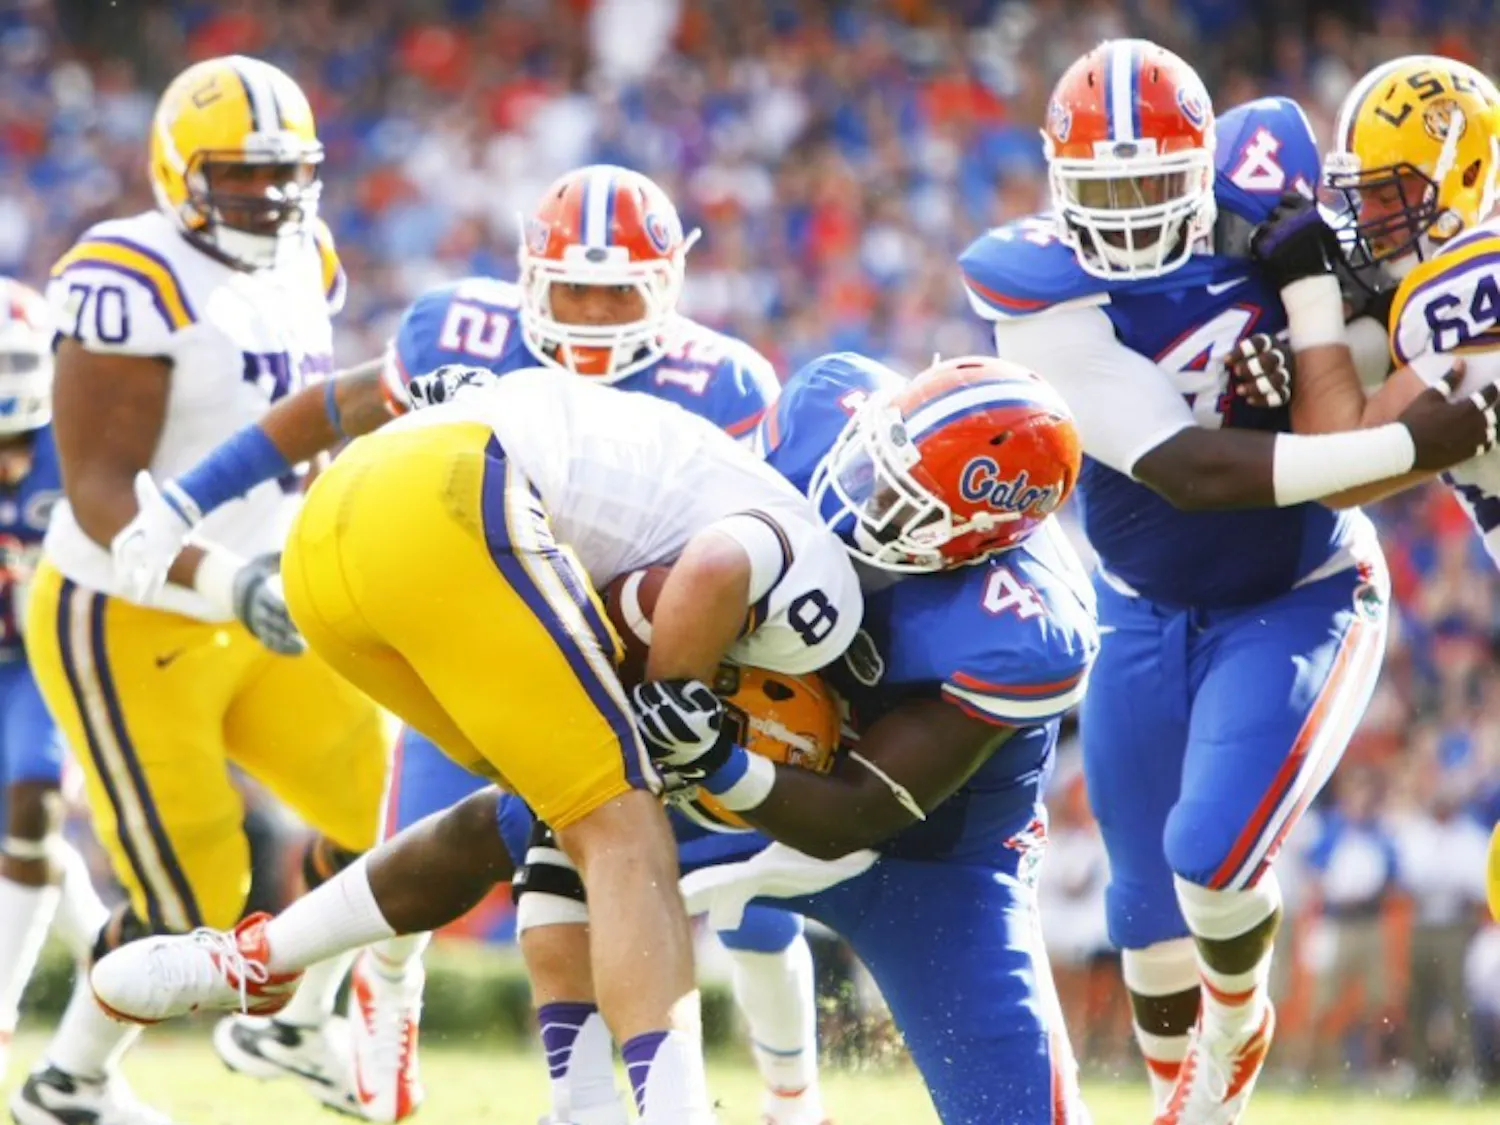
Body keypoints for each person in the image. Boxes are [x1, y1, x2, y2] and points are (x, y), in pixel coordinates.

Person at [956, 39, 1500, 1125]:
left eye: (1150, 185)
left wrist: (1306, 330)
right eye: (1101, 191)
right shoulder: (1038, 289)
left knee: (1210, 855)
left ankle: (1238, 1031)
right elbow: (1193, 467)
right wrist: (1328, 387)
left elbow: (1359, 374)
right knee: (1142, 916)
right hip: (1138, 602)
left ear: (1203, 167)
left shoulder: (1320, 228)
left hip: (1297, 587)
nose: (1125, 217)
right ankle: (1185, 1104)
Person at [92, 363, 864, 1125]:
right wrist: (676, 694)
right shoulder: (810, 564)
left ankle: (265, 961)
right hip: (454, 493)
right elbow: (710, 572)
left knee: (549, 809)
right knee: (625, 824)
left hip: (331, 536)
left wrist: (179, 506)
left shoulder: (689, 466)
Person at [505, 350, 1100, 1125]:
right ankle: (567, 1099)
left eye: (903, 501)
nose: (862, 497)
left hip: (929, 855)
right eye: (873, 466)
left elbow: (859, 812)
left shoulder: (1023, 630)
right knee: (516, 818)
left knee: (1015, 1116)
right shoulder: (829, 401)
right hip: (749, 750)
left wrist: (717, 757)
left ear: (982, 539)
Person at [14, 55, 393, 1125]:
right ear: (178, 170)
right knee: (193, 902)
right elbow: (98, 494)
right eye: (239, 174)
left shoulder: (309, 255)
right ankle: (69, 1085)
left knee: (388, 810)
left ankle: (294, 1022)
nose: (267, 197)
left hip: (268, 600)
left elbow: (305, 419)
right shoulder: (129, 275)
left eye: (285, 173)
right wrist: (232, 579)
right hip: (130, 615)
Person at [1224, 56, 1500, 953]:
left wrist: (1310, 306)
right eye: (1366, 193)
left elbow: (1341, 462)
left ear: (1466, 175)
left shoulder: (1462, 291)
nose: (1374, 215)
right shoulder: (1434, 294)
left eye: (1395, 192)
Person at [0, 280, 112, 1091]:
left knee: (34, 801)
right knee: (28, 842)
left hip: (49, 653)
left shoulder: (73, 446)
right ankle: (122, 961)